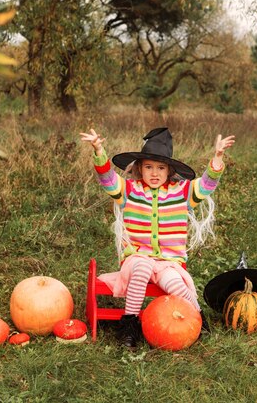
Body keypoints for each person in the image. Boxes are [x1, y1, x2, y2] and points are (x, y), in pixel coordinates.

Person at [80, 127, 235, 347]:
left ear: (169, 170)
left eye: (161, 168)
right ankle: (130, 324)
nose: (154, 173)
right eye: (149, 167)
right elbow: (107, 179)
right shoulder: (130, 190)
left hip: (168, 262)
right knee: (142, 267)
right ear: (140, 169)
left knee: (176, 284)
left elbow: (206, 185)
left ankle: (198, 320)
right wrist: (98, 150)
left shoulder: (181, 193)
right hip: (138, 257)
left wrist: (217, 159)